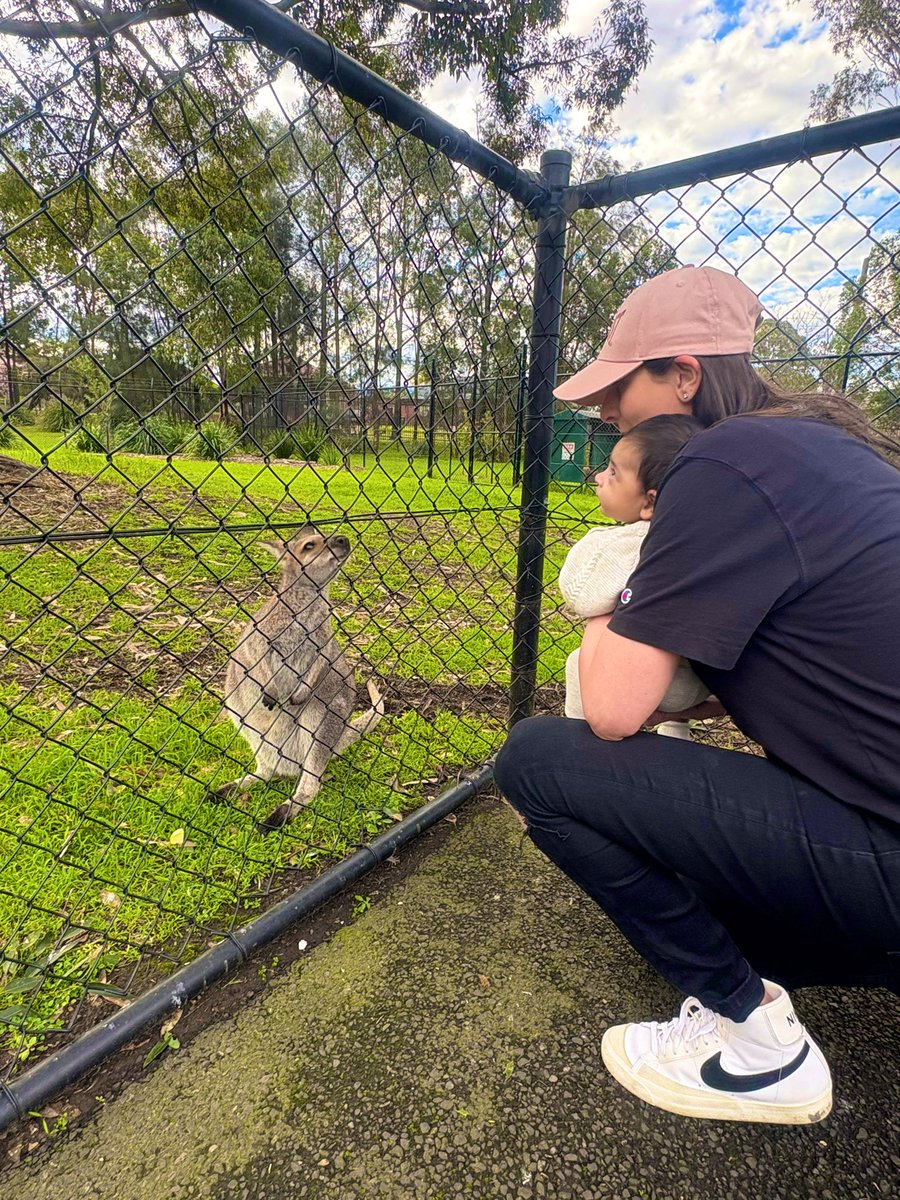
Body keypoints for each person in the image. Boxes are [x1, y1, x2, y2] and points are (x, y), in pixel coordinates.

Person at [493, 264, 900, 1125]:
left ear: (683, 375)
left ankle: (759, 1046)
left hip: (886, 857)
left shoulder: (719, 463)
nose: (604, 412)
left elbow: (613, 709)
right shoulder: (821, 450)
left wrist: (610, 575)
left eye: (618, 389)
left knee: (538, 761)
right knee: (716, 914)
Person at [559, 414, 709, 739]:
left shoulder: (635, 541)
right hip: (701, 678)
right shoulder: (698, 537)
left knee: (577, 661)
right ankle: (675, 732)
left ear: (650, 503)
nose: (599, 477)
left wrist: (597, 541)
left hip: (663, 684)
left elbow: (582, 595)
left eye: (613, 472)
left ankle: (580, 744)